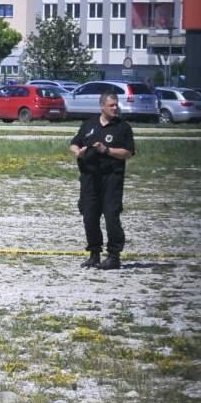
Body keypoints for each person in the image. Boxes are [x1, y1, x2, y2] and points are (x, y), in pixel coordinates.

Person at [68, 92, 136, 270]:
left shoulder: (123, 127)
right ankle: (94, 254)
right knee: (89, 216)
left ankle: (114, 256)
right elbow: (74, 143)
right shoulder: (89, 124)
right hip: (90, 178)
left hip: (111, 178)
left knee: (111, 216)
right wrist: (78, 152)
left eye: (116, 105)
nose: (115, 108)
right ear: (102, 106)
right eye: (111, 105)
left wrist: (107, 150)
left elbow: (127, 153)